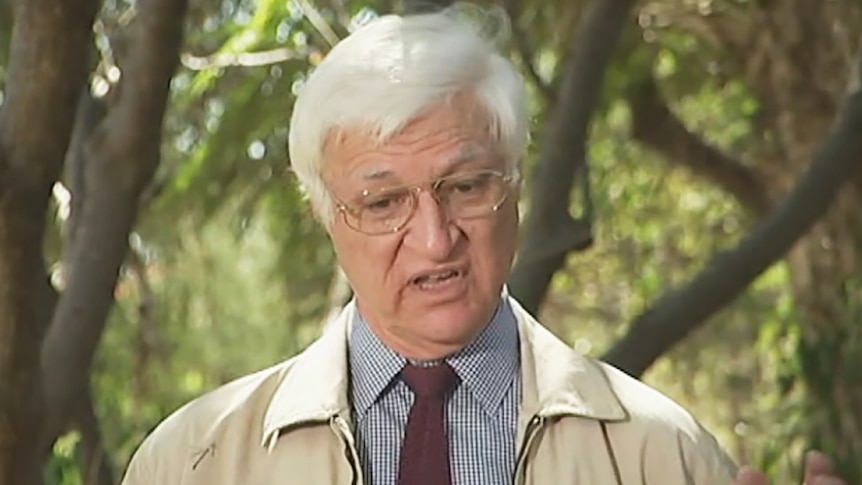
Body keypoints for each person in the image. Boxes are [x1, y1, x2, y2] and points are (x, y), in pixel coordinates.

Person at [120, 5, 850, 485]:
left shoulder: (661, 456)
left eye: (467, 187)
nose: (436, 239)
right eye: (384, 202)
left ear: (518, 184)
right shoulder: (194, 461)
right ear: (324, 212)